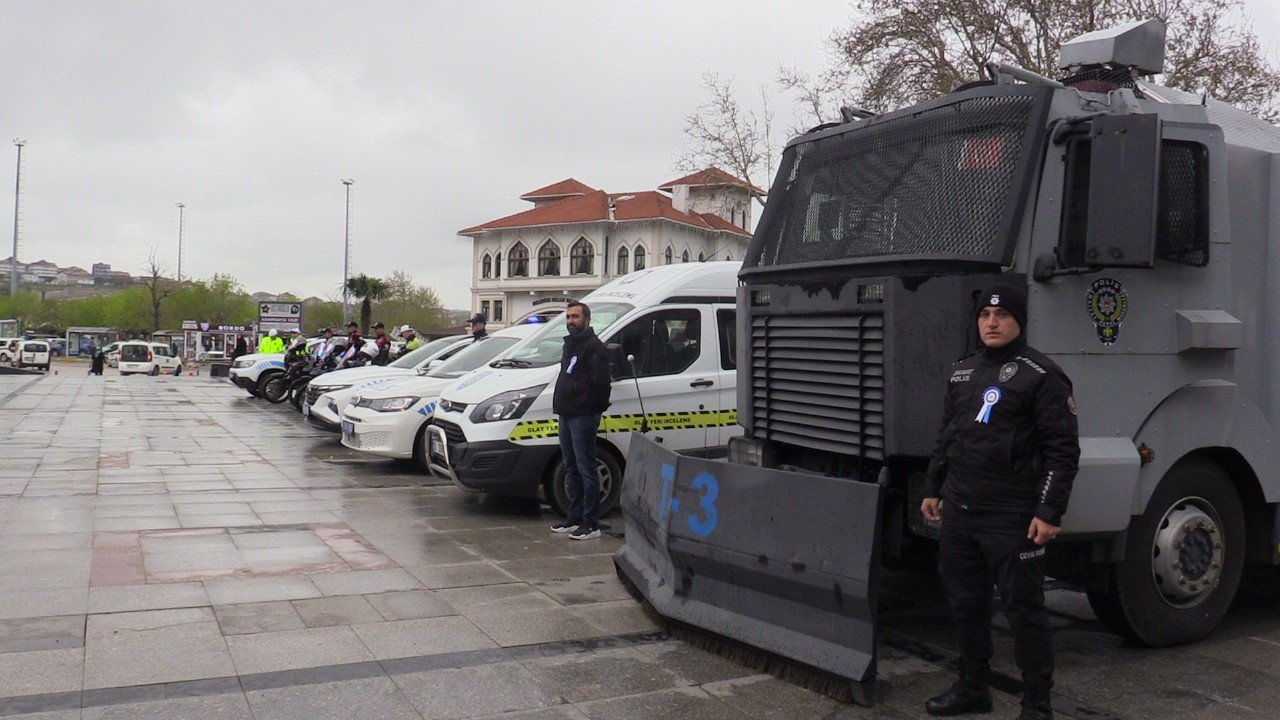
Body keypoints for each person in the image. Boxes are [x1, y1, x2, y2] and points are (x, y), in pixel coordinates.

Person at [920, 284, 1080, 720]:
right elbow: (948, 436)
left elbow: (1062, 452)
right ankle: (974, 688)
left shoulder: (1041, 376)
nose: (992, 323)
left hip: (1011, 517)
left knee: (1024, 611)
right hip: (961, 511)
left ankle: (1037, 705)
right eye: (985, 317)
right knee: (965, 604)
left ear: (1019, 320)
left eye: (1002, 316)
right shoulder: (962, 372)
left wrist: (1049, 512)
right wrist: (934, 488)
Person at [550, 301, 612, 540]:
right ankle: (573, 516)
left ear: (586, 319)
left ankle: (591, 522)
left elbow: (601, 384)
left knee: (587, 468)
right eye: (568, 317)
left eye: (575, 317)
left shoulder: (594, 347)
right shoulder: (570, 345)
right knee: (570, 466)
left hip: (582, 416)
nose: (570, 321)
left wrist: (591, 410)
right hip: (566, 413)